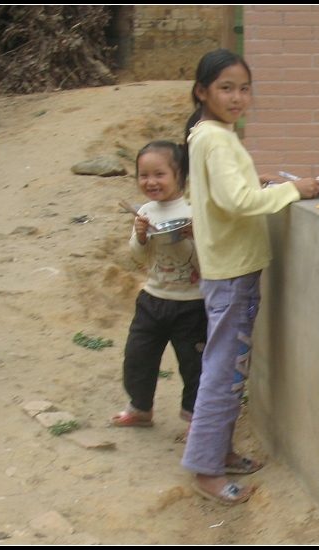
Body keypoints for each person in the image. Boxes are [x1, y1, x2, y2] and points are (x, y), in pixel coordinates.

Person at [179, 49, 319, 505]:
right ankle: (205, 470)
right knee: (225, 371)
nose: (237, 97)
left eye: (244, 88)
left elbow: (222, 190)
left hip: (228, 270)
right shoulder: (216, 139)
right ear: (202, 91)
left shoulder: (208, 134)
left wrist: (252, 177)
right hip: (233, 273)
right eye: (226, 88)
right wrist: (292, 189)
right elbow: (236, 202)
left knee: (229, 367)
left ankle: (218, 453)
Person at [110, 141, 207, 436]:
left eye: (159, 174)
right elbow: (139, 258)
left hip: (192, 303)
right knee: (138, 356)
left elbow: (212, 258)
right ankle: (140, 408)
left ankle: (194, 417)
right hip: (153, 298)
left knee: (194, 363)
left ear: (180, 175)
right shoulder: (145, 211)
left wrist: (198, 236)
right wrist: (141, 236)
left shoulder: (195, 209)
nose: (151, 182)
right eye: (143, 175)